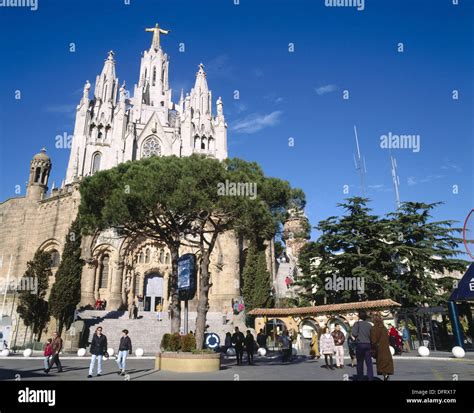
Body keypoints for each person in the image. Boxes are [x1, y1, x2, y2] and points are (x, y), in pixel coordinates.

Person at [370, 313, 394, 381]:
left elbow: (373, 340)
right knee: (386, 362)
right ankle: (386, 375)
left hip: (379, 348)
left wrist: (373, 347)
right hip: (386, 348)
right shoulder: (384, 328)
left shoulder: (373, 328)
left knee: (381, 363)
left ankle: (385, 375)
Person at [351, 310, 374, 380]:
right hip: (368, 344)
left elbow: (354, 335)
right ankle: (370, 377)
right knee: (369, 362)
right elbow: (372, 336)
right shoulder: (369, 325)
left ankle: (360, 377)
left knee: (360, 362)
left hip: (360, 344)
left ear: (359, 316)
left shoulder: (356, 324)